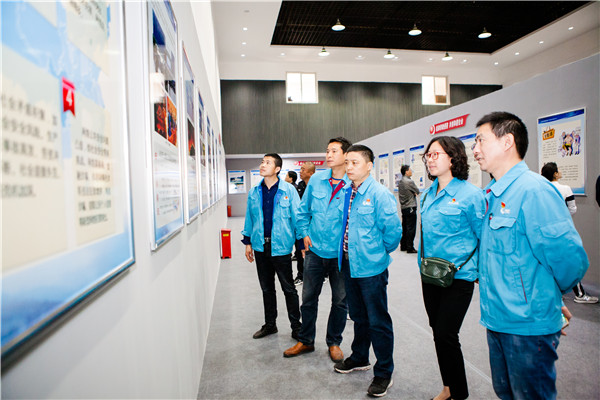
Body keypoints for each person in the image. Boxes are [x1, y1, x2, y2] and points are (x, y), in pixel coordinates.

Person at [472, 112, 589, 400]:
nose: (474, 149)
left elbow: (570, 260)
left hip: (526, 325)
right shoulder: (494, 194)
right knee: (506, 392)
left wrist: (546, 298)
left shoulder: (534, 191)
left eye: (481, 140)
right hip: (498, 319)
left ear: (507, 142)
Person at [419, 136, 486, 400]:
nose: (430, 159)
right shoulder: (426, 195)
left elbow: (484, 237)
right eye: (428, 155)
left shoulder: (471, 195)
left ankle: (458, 393)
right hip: (430, 274)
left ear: (453, 157)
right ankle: (449, 387)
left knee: (447, 333)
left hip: (459, 276)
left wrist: (480, 272)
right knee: (438, 332)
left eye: (436, 154)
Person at [334, 144, 402, 398]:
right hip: (348, 263)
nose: (349, 167)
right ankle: (360, 356)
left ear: (369, 165)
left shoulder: (380, 194)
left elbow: (393, 233)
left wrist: (376, 253)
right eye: (347, 162)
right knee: (358, 316)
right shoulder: (347, 191)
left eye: (355, 163)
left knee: (377, 320)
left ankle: (384, 371)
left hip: (371, 267)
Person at [283, 137, 352, 363]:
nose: (328, 155)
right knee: (308, 299)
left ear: (346, 155)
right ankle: (306, 340)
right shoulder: (316, 180)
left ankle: (334, 342)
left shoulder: (353, 183)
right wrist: (304, 233)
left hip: (341, 255)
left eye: (334, 151)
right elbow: (303, 211)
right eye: (327, 151)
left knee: (340, 301)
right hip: (315, 251)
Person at [241, 153, 303, 340]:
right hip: (260, 247)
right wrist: (248, 242)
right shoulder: (254, 192)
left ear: (277, 169)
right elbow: (250, 218)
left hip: (281, 247)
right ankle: (270, 325)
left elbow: (297, 218)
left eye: (267, 162)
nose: (262, 165)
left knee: (288, 289)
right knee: (267, 289)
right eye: (262, 162)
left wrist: (301, 243)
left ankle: (296, 327)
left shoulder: (288, 190)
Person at [541, 162, 598, 304]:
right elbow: (572, 209)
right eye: (558, 170)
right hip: (562, 230)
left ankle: (556, 293)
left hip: (546, 230)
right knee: (570, 262)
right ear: (555, 174)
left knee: (549, 262)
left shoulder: (541, 188)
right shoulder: (565, 188)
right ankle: (580, 294)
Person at [293, 162, 316, 285]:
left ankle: (322, 274)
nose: (300, 172)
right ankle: (301, 275)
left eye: (303, 169)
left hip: (314, 226)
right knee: (300, 250)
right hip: (301, 224)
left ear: (311, 173)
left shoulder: (316, 187)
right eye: (300, 169)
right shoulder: (299, 186)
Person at [397, 165, 419, 253]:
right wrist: (413, 193)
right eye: (410, 170)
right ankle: (410, 247)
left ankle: (403, 246)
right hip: (411, 207)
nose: (411, 171)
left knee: (405, 227)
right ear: (406, 172)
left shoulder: (401, 181)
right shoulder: (409, 181)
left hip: (404, 207)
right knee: (411, 228)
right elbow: (417, 191)